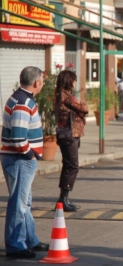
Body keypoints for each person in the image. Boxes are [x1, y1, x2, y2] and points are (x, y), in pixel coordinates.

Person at [0, 66, 49, 259]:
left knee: (24, 202)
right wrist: (30, 155)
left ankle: (30, 239)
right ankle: (15, 245)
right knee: (19, 204)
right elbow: (19, 138)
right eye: (43, 81)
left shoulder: (20, 98)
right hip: (20, 159)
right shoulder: (23, 102)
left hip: (18, 158)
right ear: (36, 83)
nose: (43, 84)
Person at [54, 70, 88, 212]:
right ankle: (64, 199)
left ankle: (63, 199)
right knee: (72, 166)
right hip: (68, 134)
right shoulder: (65, 95)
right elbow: (83, 107)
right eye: (74, 80)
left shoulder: (60, 95)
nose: (75, 83)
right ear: (69, 81)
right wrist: (82, 108)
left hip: (67, 134)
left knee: (68, 165)